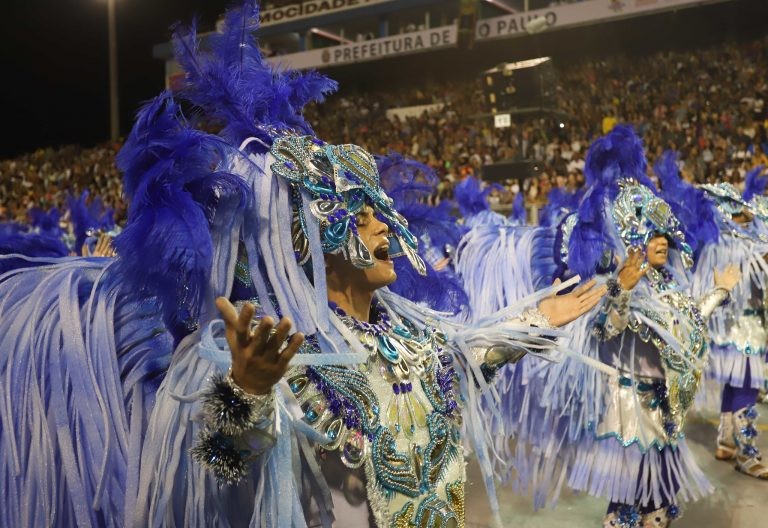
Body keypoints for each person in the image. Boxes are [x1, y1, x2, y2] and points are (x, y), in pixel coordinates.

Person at [0, 4, 606, 527]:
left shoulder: (413, 333)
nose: (382, 224)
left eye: (380, 210)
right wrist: (249, 391)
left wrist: (532, 322)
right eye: (360, 213)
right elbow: (217, 468)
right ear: (310, 241)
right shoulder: (281, 348)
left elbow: (467, 355)